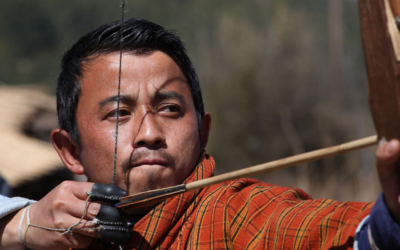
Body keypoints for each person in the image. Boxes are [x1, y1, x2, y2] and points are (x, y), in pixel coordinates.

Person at [1, 18, 400, 250]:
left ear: (202, 129)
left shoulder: (236, 215)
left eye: (170, 109)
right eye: (119, 114)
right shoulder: (49, 232)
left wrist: (390, 220)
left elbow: (334, 234)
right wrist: (19, 225)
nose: (151, 133)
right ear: (70, 150)